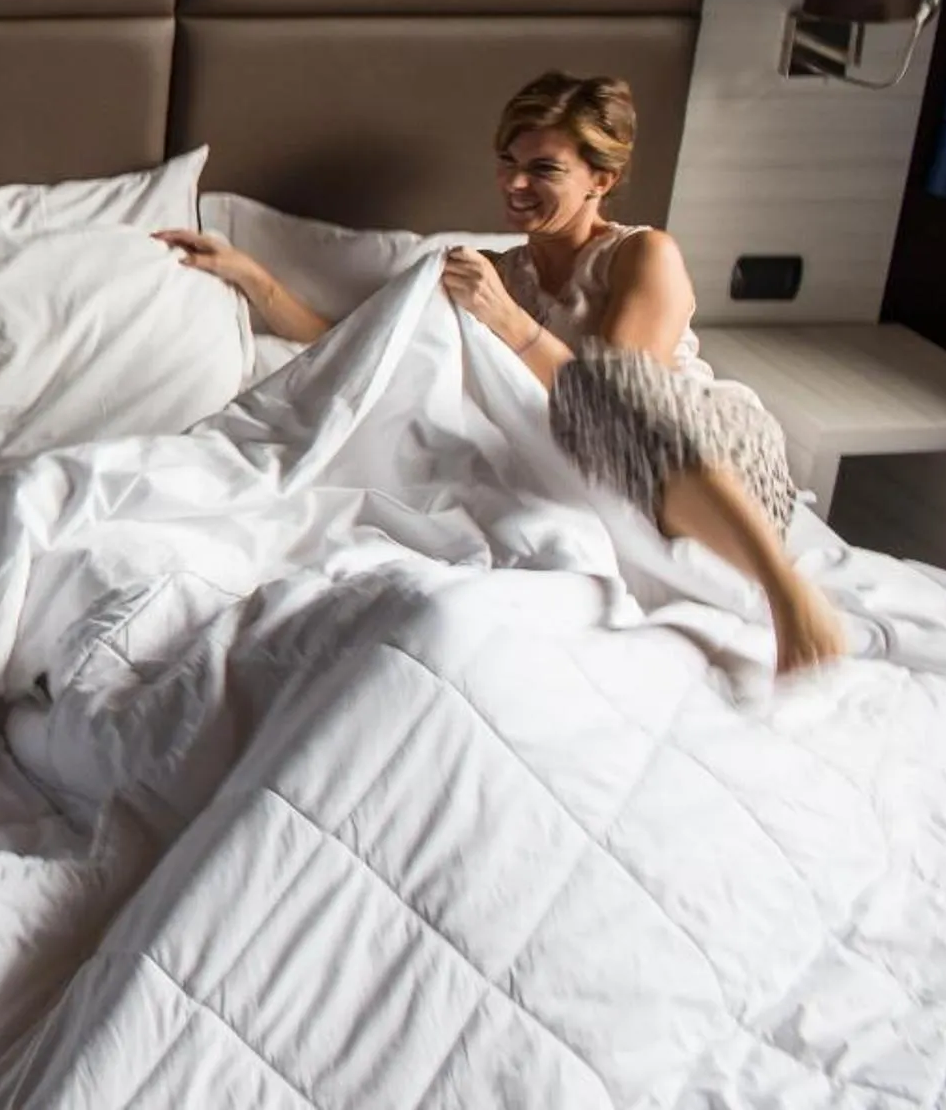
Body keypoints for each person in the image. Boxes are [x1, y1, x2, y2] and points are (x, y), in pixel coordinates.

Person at [156, 71, 846, 674]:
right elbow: (365, 349)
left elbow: (611, 397)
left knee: (626, 405)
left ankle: (788, 596)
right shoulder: (505, 272)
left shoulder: (641, 256)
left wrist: (510, 325)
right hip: (591, 466)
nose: (513, 184)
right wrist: (252, 277)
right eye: (506, 162)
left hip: (709, 456)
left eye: (542, 170)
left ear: (599, 180)